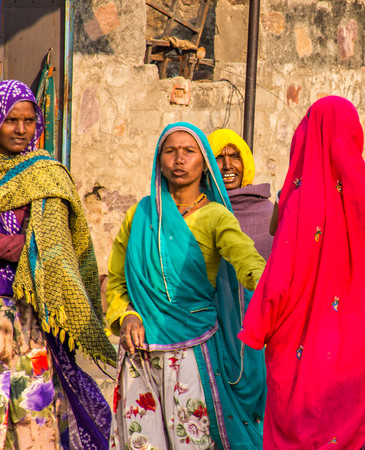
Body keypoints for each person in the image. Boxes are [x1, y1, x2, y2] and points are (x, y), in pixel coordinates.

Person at [0, 79, 116, 449]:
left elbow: (51, 252)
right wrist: (6, 248)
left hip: (31, 322)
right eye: (11, 120)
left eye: (28, 121)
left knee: (33, 429)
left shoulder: (48, 177)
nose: (20, 129)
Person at [238, 96, 365, 449]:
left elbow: (278, 278)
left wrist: (257, 326)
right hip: (357, 342)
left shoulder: (298, 200)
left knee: (305, 429)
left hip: (301, 345)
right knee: (350, 425)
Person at [106, 122, 267, 449]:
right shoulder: (140, 214)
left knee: (191, 441)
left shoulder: (216, 217)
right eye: (170, 151)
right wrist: (127, 316)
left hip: (193, 350)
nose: (179, 159)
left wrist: (275, 288)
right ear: (159, 160)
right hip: (141, 350)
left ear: (203, 160)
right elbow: (117, 278)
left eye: (189, 151)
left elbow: (247, 261)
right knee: (142, 442)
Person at [208, 129, 274, 259]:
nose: (228, 165)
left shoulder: (267, 214)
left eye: (235, 157)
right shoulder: (198, 208)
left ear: (245, 163)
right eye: (219, 158)